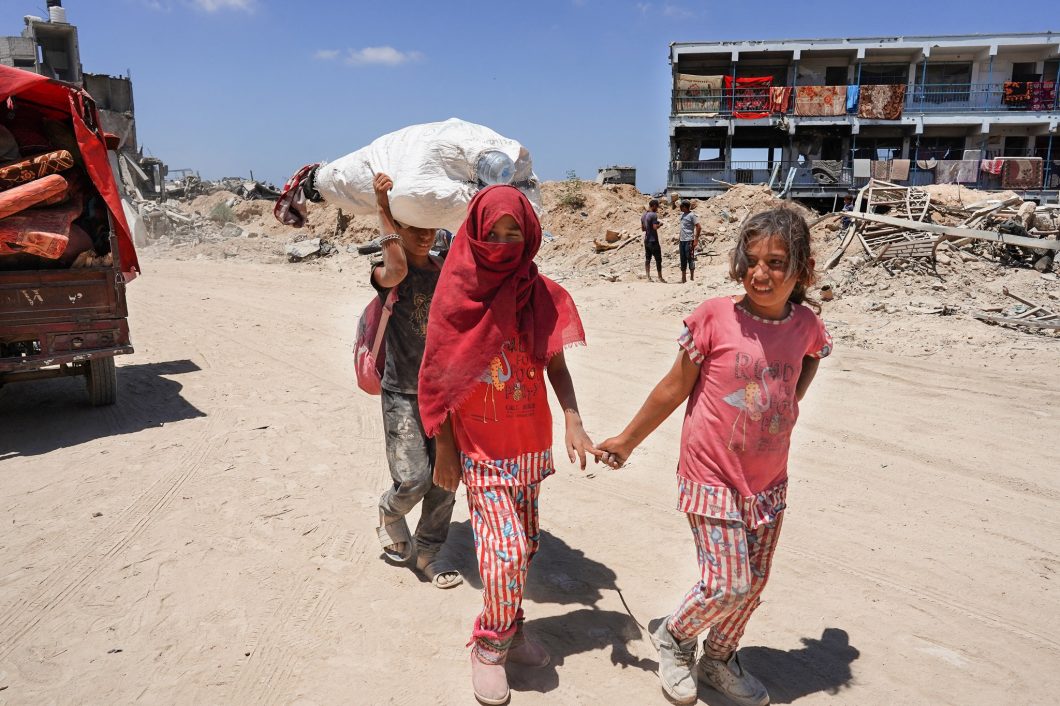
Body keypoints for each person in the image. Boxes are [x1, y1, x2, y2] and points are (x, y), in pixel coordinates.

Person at [595, 208, 832, 706]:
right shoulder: (714, 316)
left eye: (775, 262)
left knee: (754, 581)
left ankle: (720, 657)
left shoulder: (807, 323)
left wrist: (788, 402)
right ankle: (675, 639)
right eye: (750, 260)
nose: (760, 273)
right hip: (711, 473)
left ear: (802, 271)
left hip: (768, 478)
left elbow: (809, 359)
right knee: (728, 581)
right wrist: (626, 440)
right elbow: (673, 387)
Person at [418, 185, 595, 706]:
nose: (501, 242)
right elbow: (440, 378)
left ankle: (512, 625)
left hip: (528, 445)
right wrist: (445, 450)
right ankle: (489, 646)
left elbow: (555, 366)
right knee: (505, 551)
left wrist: (573, 420)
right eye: (491, 233)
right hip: (478, 449)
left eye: (512, 232)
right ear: (474, 234)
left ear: (530, 234)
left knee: (527, 546)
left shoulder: (541, 294)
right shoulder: (456, 297)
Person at [371, 172, 463, 589]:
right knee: (414, 478)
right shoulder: (385, 272)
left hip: (444, 393)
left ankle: (428, 551)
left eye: (430, 227)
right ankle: (390, 511)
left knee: (446, 481)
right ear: (399, 229)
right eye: (415, 227)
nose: (425, 235)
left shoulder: (444, 271)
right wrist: (383, 208)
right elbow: (396, 265)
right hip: (402, 393)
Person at [642, 198, 665, 282]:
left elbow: (643, 229)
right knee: (658, 259)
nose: (657, 208)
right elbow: (655, 227)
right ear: (654, 206)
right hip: (653, 240)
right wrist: (660, 224)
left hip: (646, 240)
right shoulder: (653, 215)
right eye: (657, 206)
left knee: (648, 258)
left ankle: (648, 277)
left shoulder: (644, 215)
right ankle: (660, 277)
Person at [678, 199, 701, 283]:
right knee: (682, 259)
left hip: (689, 240)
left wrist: (696, 240)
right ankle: (683, 278)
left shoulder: (692, 215)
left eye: (681, 206)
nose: (680, 208)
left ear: (685, 207)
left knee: (690, 258)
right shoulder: (682, 215)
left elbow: (698, 227)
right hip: (682, 241)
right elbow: (682, 228)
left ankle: (691, 278)